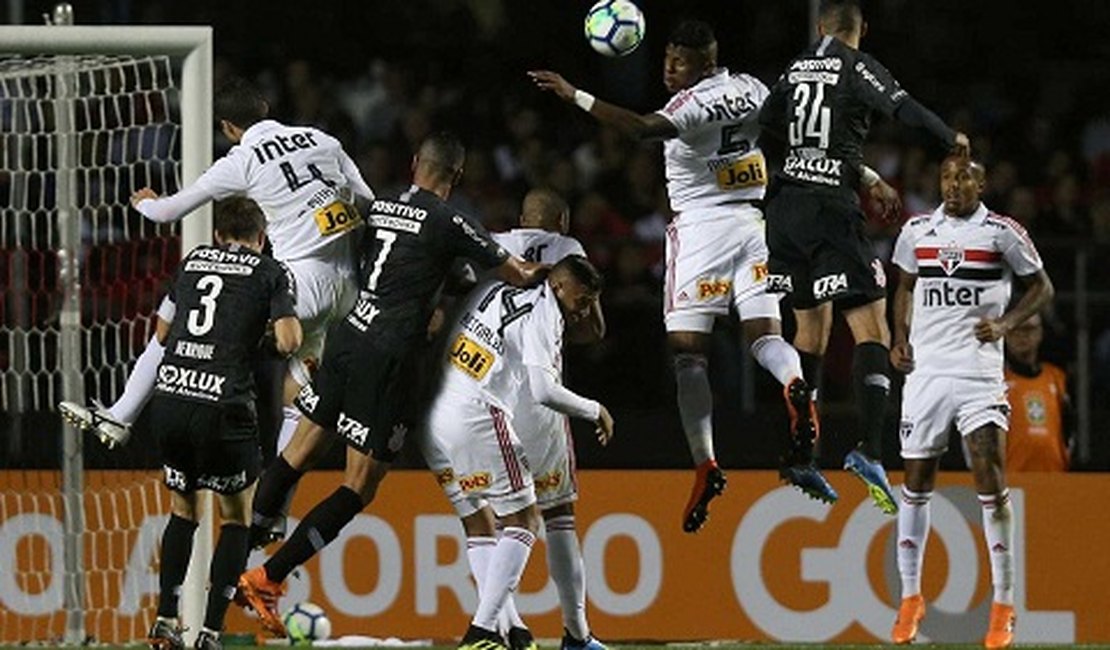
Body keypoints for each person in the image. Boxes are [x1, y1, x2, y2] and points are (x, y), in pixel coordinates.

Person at [530, 19, 837, 535]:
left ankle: (706, 462)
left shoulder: (688, 107)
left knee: (688, 353)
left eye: (680, 61)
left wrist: (575, 95)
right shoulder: (751, 88)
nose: (670, 68)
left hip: (703, 232)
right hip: (755, 225)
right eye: (667, 58)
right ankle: (795, 383)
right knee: (765, 338)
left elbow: (640, 129)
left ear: (705, 61)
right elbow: (784, 130)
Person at [233, 132, 546, 637]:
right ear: (456, 177)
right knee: (359, 486)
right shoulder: (451, 219)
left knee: (298, 453)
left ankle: (236, 553)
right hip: (388, 357)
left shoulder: (377, 205)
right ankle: (268, 576)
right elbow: (517, 272)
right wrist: (547, 267)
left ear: (416, 163)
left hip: (347, 335)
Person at [61, 77, 373, 543]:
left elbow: (169, 212)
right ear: (267, 108)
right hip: (348, 286)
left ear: (229, 127)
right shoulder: (323, 139)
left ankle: (122, 414)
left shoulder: (242, 160)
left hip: (297, 286)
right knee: (299, 393)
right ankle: (272, 512)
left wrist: (146, 203)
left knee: (186, 325)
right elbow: (367, 201)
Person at [758, 0, 971, 515]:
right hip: (832, 212)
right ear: (862, 30)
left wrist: (864, 174)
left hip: (784, 213)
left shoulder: (792, 70)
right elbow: (904, 107)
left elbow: (769, 129)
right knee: (872, 329)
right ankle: (870, 449)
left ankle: (802, 453)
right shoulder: (856, 67)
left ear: (819, 27)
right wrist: (951, 139)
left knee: (809, 336)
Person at [422, 189, 607, 650]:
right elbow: (593, 330)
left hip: (451, 391)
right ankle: (573, 634)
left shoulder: (489, 244)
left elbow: (451, 280)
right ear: (561, 222)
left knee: (482, 522)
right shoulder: (568, 260)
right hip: (526, 400)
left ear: (521, 217)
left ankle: (509, 626)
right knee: (554, 514)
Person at [888, 156, 1053, 648]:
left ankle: (1003, 603)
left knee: (990, 476)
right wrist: (900, 335)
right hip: (925, 375)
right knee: (915, 483)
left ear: (982, 184)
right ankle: (911, 597)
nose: (954, 185)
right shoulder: (917, 230)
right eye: (946, 177)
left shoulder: (1002, 233)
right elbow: (905, 287)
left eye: (964, 178)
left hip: (979, 374)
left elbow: (1043, 288)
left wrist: (1004, 325)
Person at [144, 198, 302, 650]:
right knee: (236, 516)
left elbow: (161, 333)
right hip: (223, 406)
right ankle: (211, 631)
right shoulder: (270, 271)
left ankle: (165, 619)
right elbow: (290, 340)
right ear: (262, 238)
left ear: (217, 235)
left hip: (171, 397)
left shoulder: (193, 261)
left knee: (183, 510)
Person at [1004, 312, 1071, 471]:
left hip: (1054, 476)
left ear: (1040, 333)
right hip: (1010, 478)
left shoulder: (1056, 378)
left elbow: (1069, 429)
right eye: (1015, 329)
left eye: (1028, 329)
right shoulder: (995, 381)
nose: (1022, 336)